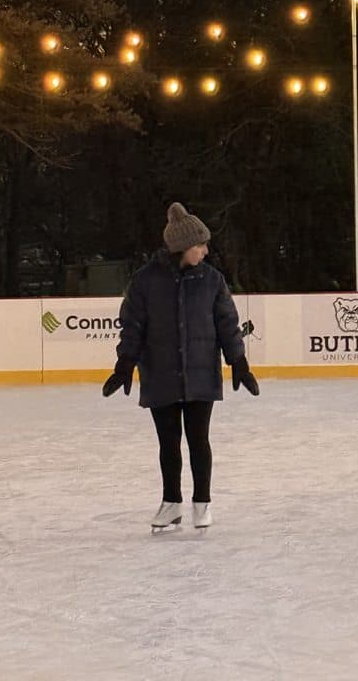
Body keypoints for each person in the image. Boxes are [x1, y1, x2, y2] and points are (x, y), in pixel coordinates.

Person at [102, 202, 259, 531]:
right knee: (168, 442)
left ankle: (202, 503)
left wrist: (239, 362)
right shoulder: (145, 282)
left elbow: (227, 324)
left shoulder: (212, 280)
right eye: (200, 245)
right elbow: (132, 325)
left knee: (199, 440)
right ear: (183, 246)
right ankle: (171, 503)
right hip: (160, 374)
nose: (205, 250)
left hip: (201, 373)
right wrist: (124, 364)